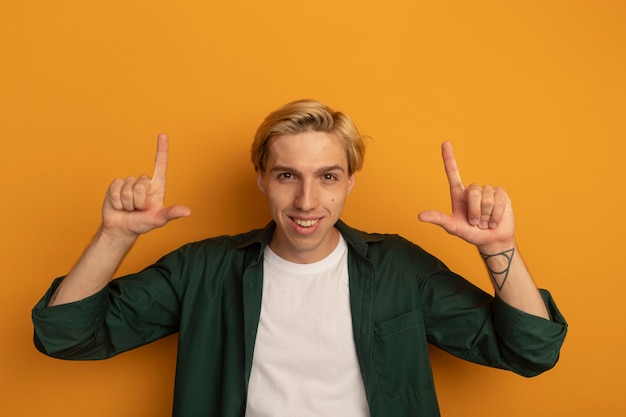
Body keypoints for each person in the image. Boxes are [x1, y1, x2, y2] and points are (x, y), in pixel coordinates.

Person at [32, 99, 567, 417]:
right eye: (287, 175)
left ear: (350, 182)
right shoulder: (204, 269)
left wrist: (499, 249)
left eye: (327, 177)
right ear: (262, 178)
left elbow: (529, 350)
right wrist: (113, 236)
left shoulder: (399, 268)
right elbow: (65, 335)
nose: (307, 202)